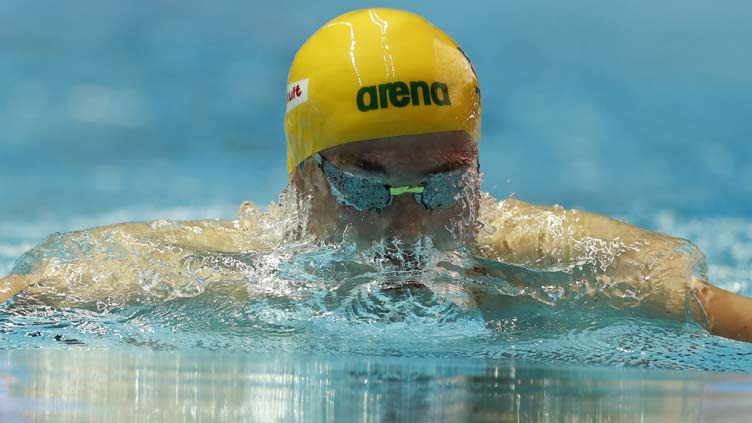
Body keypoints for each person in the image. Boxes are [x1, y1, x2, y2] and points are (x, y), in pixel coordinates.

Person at [1, 8, 751, 342]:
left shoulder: (553, 263)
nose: (409, 230)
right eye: (365, 184)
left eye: (445, 184)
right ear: (301, 181)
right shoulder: (202, 276)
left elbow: (720, 313)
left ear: (479, 172)